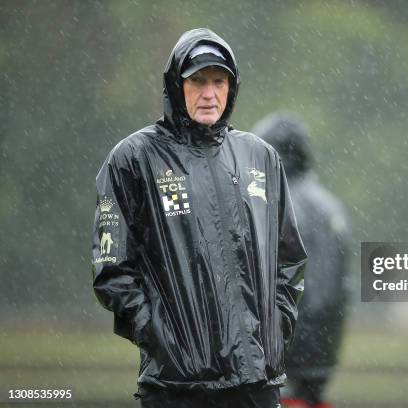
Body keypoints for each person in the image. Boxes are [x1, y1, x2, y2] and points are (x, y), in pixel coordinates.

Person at [91, 28, 307, 408]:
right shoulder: (134, 159)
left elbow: (288, 259)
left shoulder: (260, 158)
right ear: (177, 85)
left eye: (218, 81)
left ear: (232, 86)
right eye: (197, 81)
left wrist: (276, 329)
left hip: (256, 382)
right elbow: (112, 270)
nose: (209, 93)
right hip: (176, 387)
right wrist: (162, 337)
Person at [252, 113, 351, 408]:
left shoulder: (282, 204)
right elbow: (336, 287)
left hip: (288, 354)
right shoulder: (330, 204)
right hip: (323, 349)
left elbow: (306, 288)